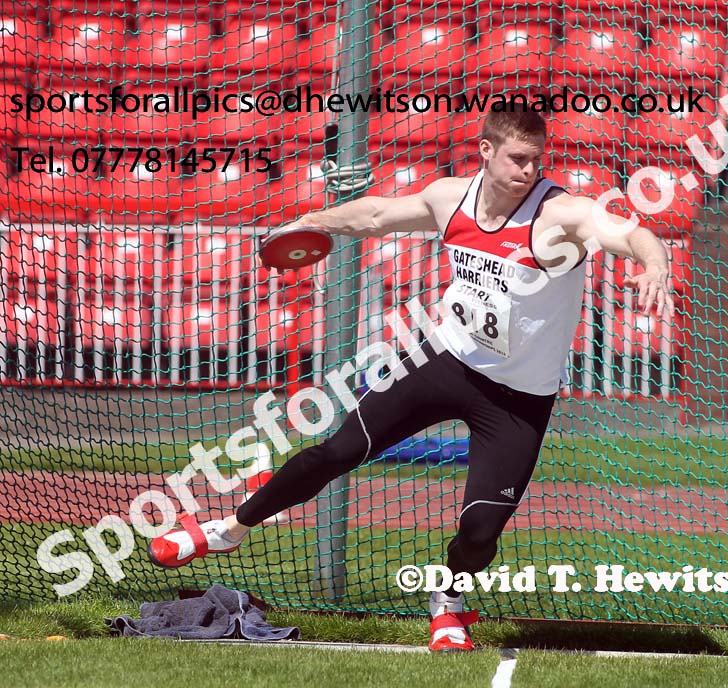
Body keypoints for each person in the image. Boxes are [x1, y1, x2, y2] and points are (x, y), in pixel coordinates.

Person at [148, 104, 674, 652]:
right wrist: (310, 222)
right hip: (441, 361)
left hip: (518, 399)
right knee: (335, 451)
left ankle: (448, 602)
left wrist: (654, 263)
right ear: (486, 151)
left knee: (480, 531)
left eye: (537, 160)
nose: (529, 170)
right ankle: (227, 531)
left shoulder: (560, 215)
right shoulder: (451, 198)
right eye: (518, 158)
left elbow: (630, 232)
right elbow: (375, 214)